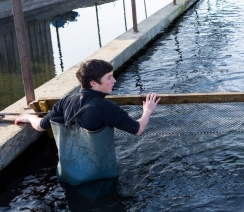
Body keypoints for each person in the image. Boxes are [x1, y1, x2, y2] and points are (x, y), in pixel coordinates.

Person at [15, 59, 160, 185]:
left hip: (67, 175)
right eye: (109, 77)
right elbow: (138, 129)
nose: (114, 80)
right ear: (93, 83)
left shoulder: (66, 100)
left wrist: (29, 118)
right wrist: (147, 110)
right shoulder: (105, 107)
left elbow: (40, 127)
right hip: (98, 177)